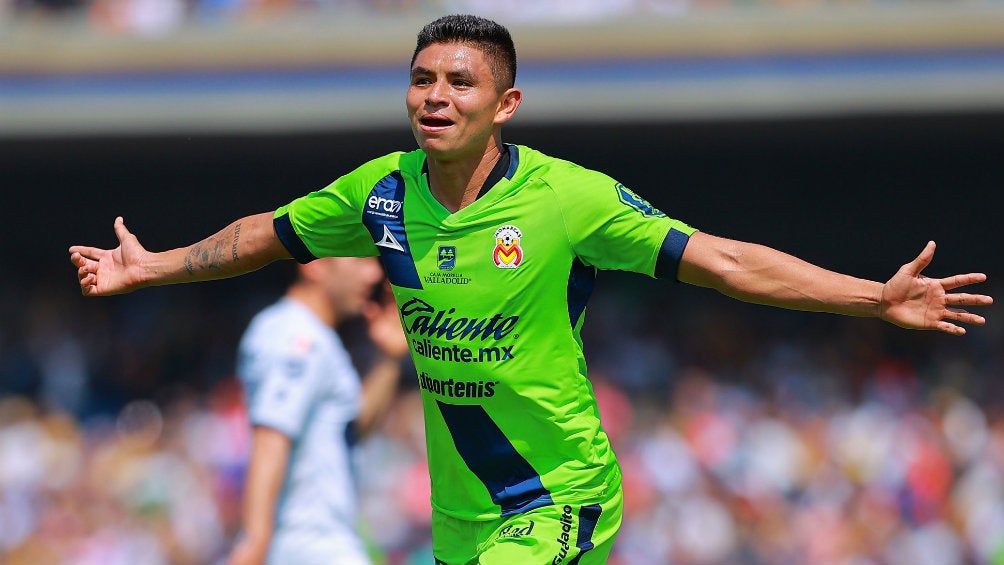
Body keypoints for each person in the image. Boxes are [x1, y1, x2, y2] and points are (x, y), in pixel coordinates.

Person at [69, 14, 993, 565]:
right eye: (421, 79)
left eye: (460, 82)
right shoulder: (380, 191)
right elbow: (262, 236)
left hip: (557, 493)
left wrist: (871, 297)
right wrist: (153, 264)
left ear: (505, 105)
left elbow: (723, 260)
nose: (435, 96)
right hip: (463, 514)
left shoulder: (567, 199)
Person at [226, 257, 409, 565]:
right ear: (314, 264)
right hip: (307, 545)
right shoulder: (293, 335)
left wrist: (388, 360)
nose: (374, 273)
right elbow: (271, 436)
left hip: (320, 543)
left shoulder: (314, 336)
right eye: (360, 259)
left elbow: (349, 428)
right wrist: (254, 540)